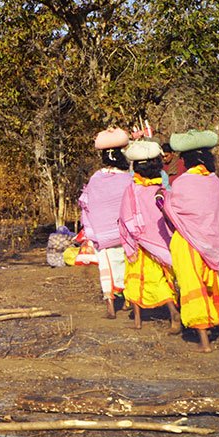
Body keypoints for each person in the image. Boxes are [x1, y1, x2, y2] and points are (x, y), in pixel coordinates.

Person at [160, 130, 219, 352]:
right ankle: (212, 323)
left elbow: (171, 211)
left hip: (186, 243)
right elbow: (218, 213)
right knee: (208, 284)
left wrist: (162, 199)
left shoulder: (183, 182)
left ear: (186, 160)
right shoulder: (213, 180)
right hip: (209, 244)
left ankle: (203, 341)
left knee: (191, 286)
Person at [119, 141, 181, 334]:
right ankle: (173, 314)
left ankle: (138, 320)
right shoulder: (163, 189)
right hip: (161, 243)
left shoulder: (132, 189)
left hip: (139, 244)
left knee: (134, 279)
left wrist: (131, 238)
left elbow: (125, 217)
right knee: (162, 279)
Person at [78, 128, 133, 318]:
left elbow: (87, 204)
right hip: (124, 233)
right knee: (126, 264)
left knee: (107, 267)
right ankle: (128, 299)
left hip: (103, 233)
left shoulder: (96, 178)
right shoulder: (129, 178)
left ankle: (110, 304)